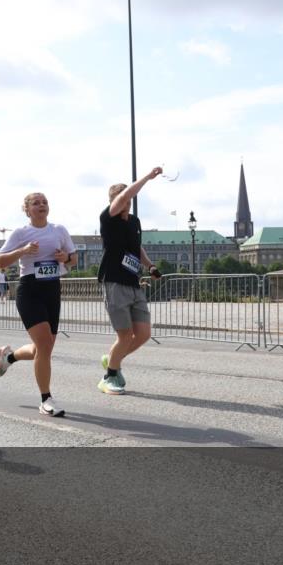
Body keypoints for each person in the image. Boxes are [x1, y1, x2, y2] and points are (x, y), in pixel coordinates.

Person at [0, 192, 76, 417]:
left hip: (52, 290)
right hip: (29, 291)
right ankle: (46, 399)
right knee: (45, 347)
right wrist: (23, 251)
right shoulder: (21, 233)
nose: (42, 205)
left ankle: (8, 358)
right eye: (36, 203)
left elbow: (73, 259)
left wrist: (64, 258)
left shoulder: (59, 230)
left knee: (43, 348)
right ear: (27, 210)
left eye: (45, 202)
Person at [97, 167, 164, 395]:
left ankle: (112, 359)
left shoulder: (134, 222)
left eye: (129, 200)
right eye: (123, 199)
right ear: (114, 201)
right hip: (114, 281)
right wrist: (147, 177)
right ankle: (110, 377)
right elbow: (125, 196)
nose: (127, 202)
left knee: (143, 334)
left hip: (133, 282)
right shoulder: (108, 218)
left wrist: (150, 265)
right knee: (124, 336)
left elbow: (137, 248)